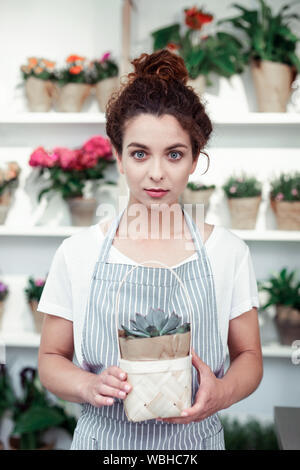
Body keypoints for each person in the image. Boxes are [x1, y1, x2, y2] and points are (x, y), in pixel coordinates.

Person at [37, 49, 263, 450]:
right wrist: (89, 385)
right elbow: (52, 359)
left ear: (195, 159)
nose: (156, 172)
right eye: (139, 153)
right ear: (119, 158)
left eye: (174, 154)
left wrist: (221, 395)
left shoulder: (229, 253)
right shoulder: (77, 253)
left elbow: (248, 355)